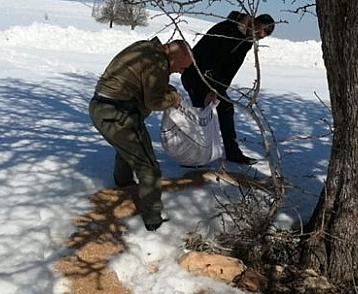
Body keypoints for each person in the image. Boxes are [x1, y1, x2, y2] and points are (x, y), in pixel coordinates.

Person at [89, 37, 192, 231]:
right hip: (117, 114)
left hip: (102, 108)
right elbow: (154, 101)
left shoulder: (146, 47)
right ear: (174, 56)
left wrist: (166, 88)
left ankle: (124, 184)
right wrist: (173, 98)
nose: (180, 71)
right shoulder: (158, 62)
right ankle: (153, 219)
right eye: (181, 67)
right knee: (149, 167)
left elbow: (145, 83)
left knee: (129, 148)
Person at [181, 12, 275, 165]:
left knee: (225, 108)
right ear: (254, 23)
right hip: (196, 75)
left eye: (260, 38)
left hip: (213, 80)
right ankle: (193, 155)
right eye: (257, 33)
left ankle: (231, 152)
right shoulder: (227, 30)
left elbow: (231, 69)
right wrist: (212, 90)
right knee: (202, 114)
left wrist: (218, 89)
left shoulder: (246, 40)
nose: (256, 38)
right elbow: (210, 61)